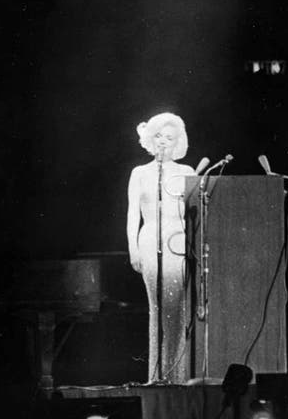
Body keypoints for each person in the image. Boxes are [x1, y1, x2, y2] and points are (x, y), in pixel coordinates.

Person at [126, 112, 196, 384]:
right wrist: (133, 248)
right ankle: (156, 375)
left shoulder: (187, 172)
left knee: (178, 307)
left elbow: (196, 213)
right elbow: (133, 214)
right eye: (159, 136)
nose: (164, 142)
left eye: (170, 137)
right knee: (157, 306)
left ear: (178, 141)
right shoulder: (140, 173)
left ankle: (178, 375)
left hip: (177, 240)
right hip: (149, 239)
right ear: (150, 139)